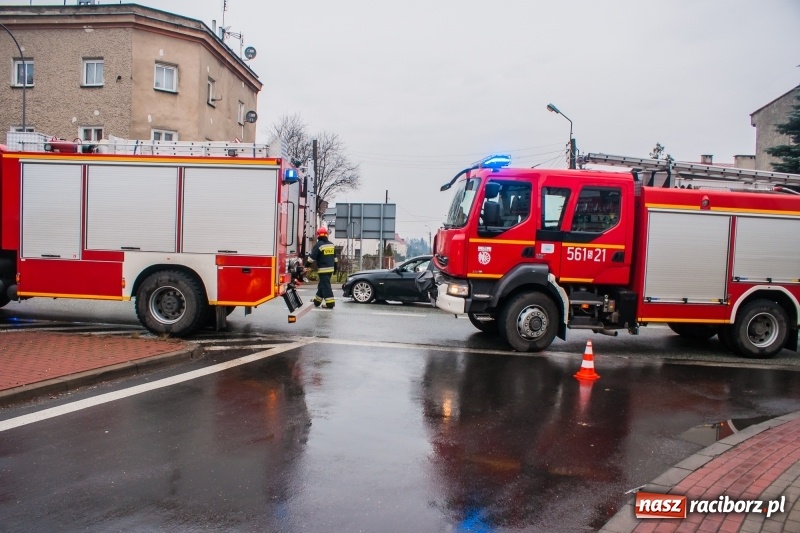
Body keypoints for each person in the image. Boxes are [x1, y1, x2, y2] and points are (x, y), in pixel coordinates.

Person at [307, 226, 337, 308]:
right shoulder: (331, 245)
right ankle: (317, 301)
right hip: (330, 269)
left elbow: (312, 258)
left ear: (318, 236)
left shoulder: (319, 245)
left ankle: (330, 303)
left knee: (325, 286)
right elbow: (335, 258)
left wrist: (306, 266)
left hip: (323, 270)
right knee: (322, 285)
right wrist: (336, 269)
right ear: (326, 235)